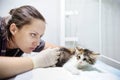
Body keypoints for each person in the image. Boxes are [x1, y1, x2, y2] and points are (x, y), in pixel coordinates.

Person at [0, 5, 60, 79]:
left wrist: (74, 53)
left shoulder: (23, 39)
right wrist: (35, 61)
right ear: (13, 29)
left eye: (40, 36)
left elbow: (54, 48)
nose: (37, 43)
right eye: (33, 34)